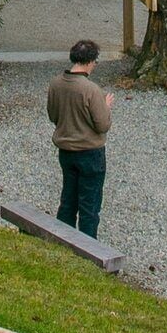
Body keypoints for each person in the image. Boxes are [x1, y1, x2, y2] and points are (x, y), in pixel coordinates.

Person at [48, 39, 114, 238]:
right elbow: (103, 125)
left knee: (68, 201)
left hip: (66, 152)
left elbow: (53, 115)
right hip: (90, 154)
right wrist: (106, 107)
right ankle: (88, 247)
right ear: (90, 61)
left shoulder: (56, 84)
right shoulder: (91, 89)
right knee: (89, 206)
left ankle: (62, 241)